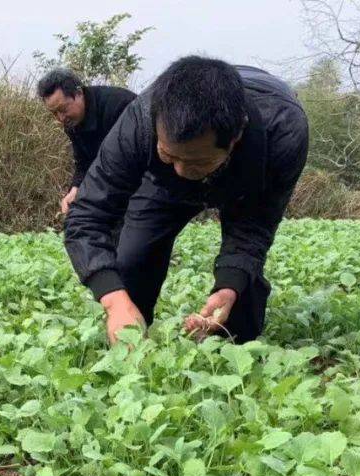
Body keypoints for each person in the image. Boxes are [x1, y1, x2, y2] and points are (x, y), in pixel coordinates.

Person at [64, 56, 309, 345]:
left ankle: (235, 345)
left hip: (250, 174)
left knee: (243, 289)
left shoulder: (284, 133)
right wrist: (114, 300)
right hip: (160, 183)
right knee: (132, 259)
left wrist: (230, 285)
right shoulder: (139, 122)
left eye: (196, 163)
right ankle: (131, 344)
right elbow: (87, 215)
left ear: (235, 137)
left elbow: (254, 227)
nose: (181, 171)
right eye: (169, 155)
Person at [37, 68, 136, 215]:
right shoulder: (72, 123)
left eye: (63, 109)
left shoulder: (120, 106)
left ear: (78, 93)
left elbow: (127, 163)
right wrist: (76, 189)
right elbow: (84, 162)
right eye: (54, 113)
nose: (60, 118)